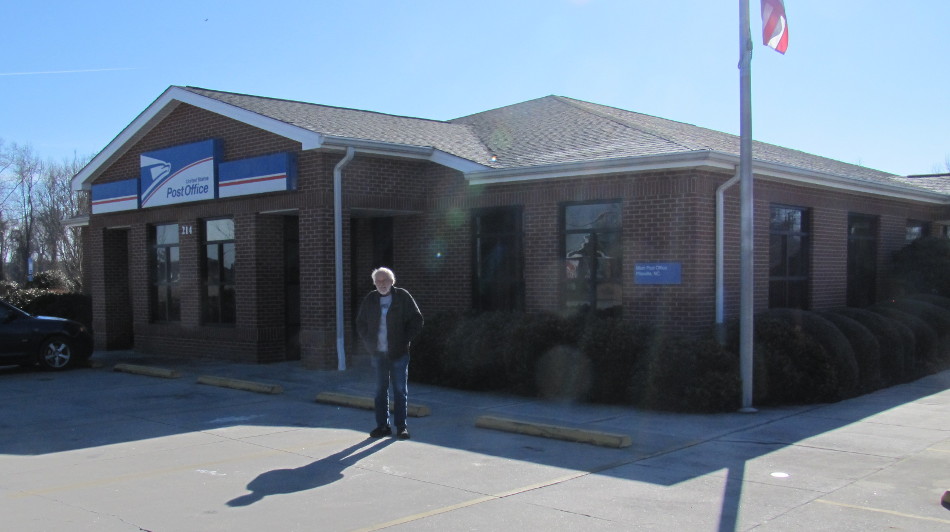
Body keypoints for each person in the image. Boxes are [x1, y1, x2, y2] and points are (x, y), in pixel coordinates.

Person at [355, 267, 424, 440]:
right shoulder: (370, 299)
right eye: (378, 281)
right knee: (380, 391)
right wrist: (370, 344)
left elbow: (417, 319)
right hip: (378, 354)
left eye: (385, 280)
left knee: (400, 390)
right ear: (374, 283)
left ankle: (401, 427)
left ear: (392, 281)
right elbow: (360, 323)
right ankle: (382, 426)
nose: (382, 284)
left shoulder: (402, 296)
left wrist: (404, 340)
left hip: (399, 353)